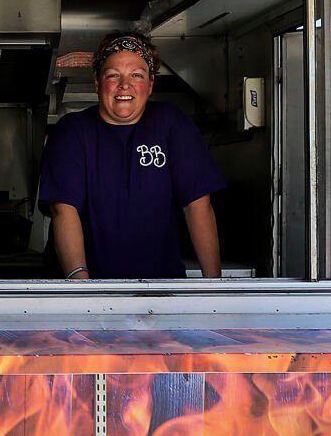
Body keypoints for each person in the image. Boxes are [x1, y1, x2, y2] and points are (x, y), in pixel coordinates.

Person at [38, 32, 225, 280]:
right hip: (85, 287)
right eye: (113, 75)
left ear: (150, 84)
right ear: (97, 82)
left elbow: (197, 205)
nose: (124, 85)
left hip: (158, 289)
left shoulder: (172, 124)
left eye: (136, 75)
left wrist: (214, 287)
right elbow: (64, 209)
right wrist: (82, 290)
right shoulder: (72, 131)